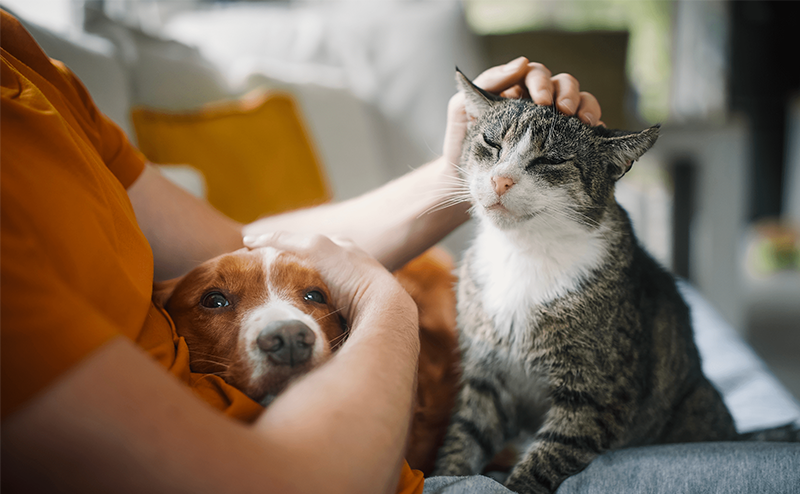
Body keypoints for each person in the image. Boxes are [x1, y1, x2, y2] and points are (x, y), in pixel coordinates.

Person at [0, 8, 601, 494]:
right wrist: (382, 303)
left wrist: (457, 174)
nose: (285, 329)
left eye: (314, 299)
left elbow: (243, 251)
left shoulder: (26, 63)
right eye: (214, 302)